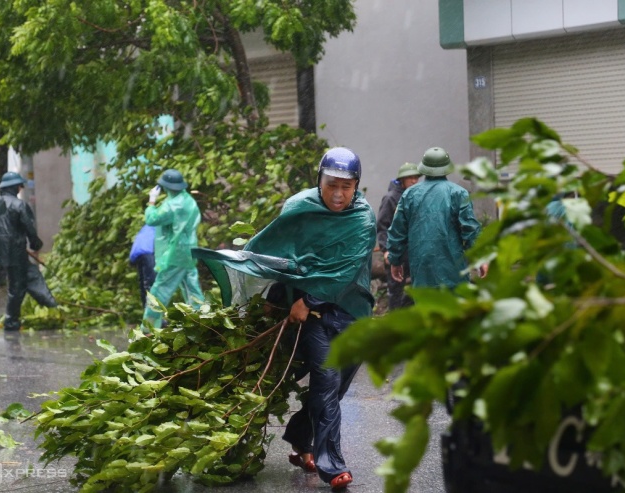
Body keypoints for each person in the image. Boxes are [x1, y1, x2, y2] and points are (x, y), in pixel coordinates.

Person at [190, 147, 376, 490]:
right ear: (318, 180)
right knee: (325, 382)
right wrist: (277, 297)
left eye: (346, 187)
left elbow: (346, 271)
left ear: (357, 187)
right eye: (331, 185)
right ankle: (333, 466)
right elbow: (281, 252)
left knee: (336, 389)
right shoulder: (300, 208)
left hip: (352, 312)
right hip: (317, 315)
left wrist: (309, 297)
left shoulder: (362, 221)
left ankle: (300, 439)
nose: (338, 194)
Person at [387, 147, 487, 289]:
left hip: (421, 269)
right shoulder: (459, 194)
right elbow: (470, 229)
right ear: (447, 168)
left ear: (423, 168)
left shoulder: (409, 195)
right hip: (453, 269)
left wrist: (395, 260)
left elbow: (397, 231)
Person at [0, 171, 57, 331]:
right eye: (19, 186)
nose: (21, 189)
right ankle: (11, 322)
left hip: (2, 254)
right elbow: (29, 228)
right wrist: (35, 244)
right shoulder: (19, 205)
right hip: (16, 252)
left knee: (32, 276)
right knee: (17, 286)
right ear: (14, 187)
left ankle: (52, 305)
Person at [142, 169, 204, 328]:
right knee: (192, 288)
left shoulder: (171, 206)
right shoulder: (190, 201)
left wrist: (152, 201)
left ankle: (148, 327)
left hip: (174, 253)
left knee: (160, 289)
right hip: (189, 251)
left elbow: (152, 219)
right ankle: (203, 321)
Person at [376, 162, 421, 310]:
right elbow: (382, 226)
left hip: (414, 253)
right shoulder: (390, 199)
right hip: (397, 253)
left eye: (416, 178)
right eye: (410, 178)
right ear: (402, 179)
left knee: (415, 292)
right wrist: (386, 250)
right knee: (396, 293)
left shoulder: (417, 197)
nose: (414, 181)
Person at [129, 224, 156, 308]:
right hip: (148, 251)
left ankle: (147, 313)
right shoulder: (164, 225)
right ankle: (153, 314)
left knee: (144, 283)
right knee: (152, 283)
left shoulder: (149, 225)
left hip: (136, 253)